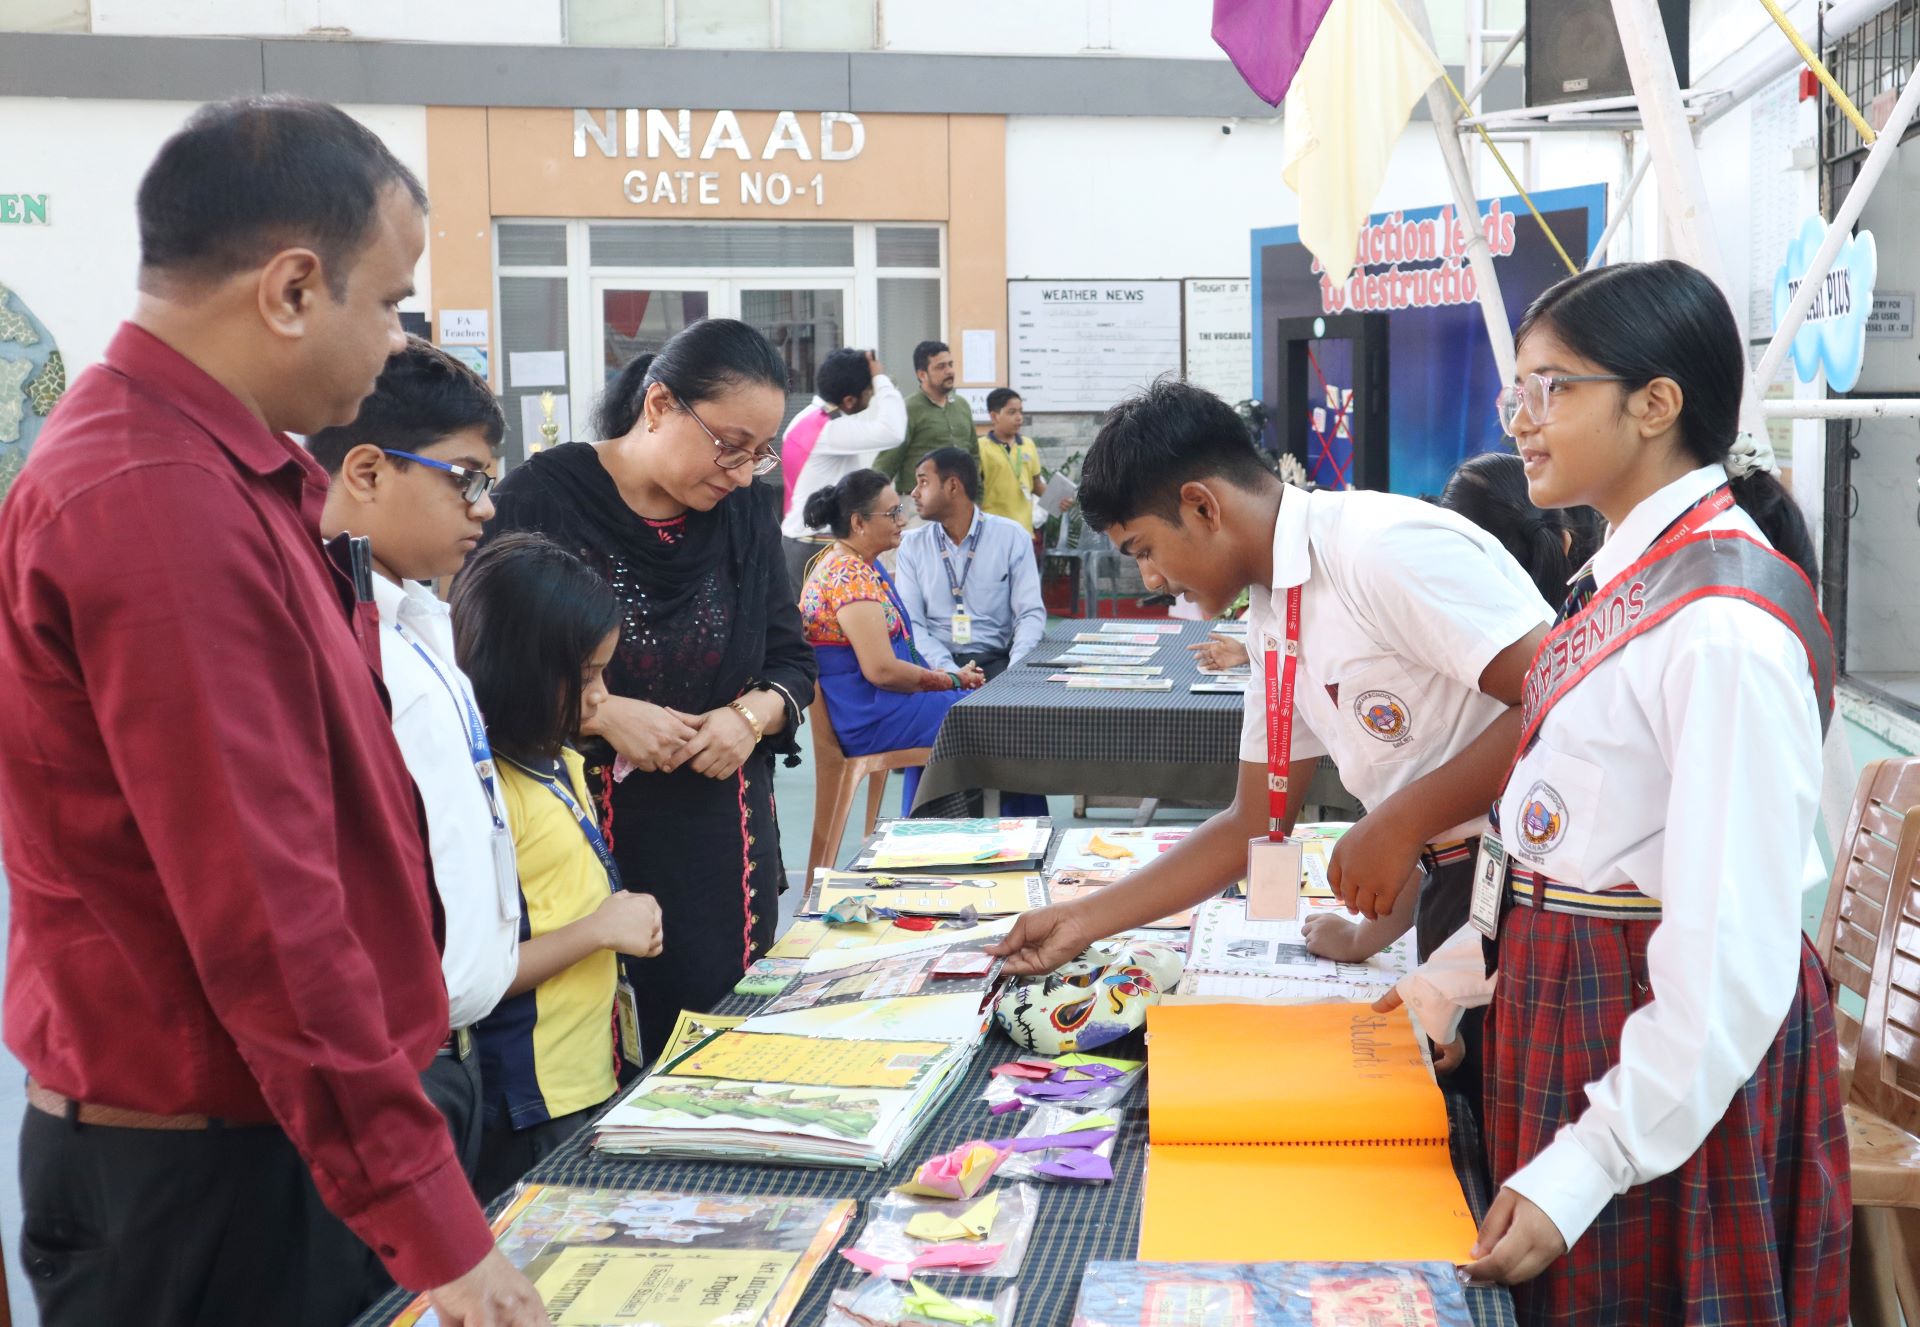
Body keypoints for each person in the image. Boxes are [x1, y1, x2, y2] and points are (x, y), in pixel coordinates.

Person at [0, 96, 543, 1326]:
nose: (400, 337)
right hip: (215, 1169)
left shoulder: (229, 473)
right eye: (393, 300)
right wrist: (431, 1220)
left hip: (284, 1135)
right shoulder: (154, 502)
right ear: (294, 287)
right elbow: (266, 905)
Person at [1384, 261, 1847, 1323]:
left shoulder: (1722, 621)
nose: (1524, 421)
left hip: (1658, 1061)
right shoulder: (1625, 579)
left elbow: (1732, 953)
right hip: (1578, 1012)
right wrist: (1463, 978)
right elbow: (1554, 837)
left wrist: (1593, 1161)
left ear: (1656, 403)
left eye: (1553, 388)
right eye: (1519, 393)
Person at [986, 380, 1552, 1097]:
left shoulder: (1379, 550)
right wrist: (1081, 918)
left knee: (1514, 1140)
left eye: (1146, 548)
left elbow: (1556, 693)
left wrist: (1402, 820)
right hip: (1460, 894)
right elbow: (1254, 821)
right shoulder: (1271, 616)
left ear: (1202, 505)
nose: (1151, 578)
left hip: (1542, 893)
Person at [484, 317, 816, 1061]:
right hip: (577, 829)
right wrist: (599, 709)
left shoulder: (744, 514)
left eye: (760, 455)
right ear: (660, 405)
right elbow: (487, 668)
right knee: (595, 1048)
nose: (739, 471)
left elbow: (793, 662)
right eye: (729, 444)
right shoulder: (542, 500)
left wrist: (748, 717)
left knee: (719, 1048)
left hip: (719, 833)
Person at [310, 338, 521, 1198]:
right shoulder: (324, 637)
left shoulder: (415, 617)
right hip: (385, 1068)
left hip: (458, 1054)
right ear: (365, 471)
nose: (485, 507)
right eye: (465, 478)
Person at [1300, 449, 1605, 963]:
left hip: (1517, 922)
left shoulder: (1531, 677)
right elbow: (1436, 849)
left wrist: (1398, 825)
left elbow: (1446, 839)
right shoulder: (1565, 638)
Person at [451, 534, 665, 1203]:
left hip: (587, 1067)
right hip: (531, 1097)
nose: (604, 698)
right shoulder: (486, 794)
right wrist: (601, 929)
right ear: (523, 670)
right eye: (590, 675)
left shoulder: (557, 755)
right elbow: (477, 974)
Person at [799, 469, 985, 812]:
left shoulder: (852, 564)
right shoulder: (849, 575)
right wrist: (950, 679)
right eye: (892, 513)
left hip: (878, 707)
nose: (902, 520)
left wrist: (951, 681)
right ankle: (947, 839)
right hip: (869, 715)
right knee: (976, 719)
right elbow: (882, 671)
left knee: (967, 706)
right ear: (858, 523)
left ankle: (931, 833)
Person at [896, 447, 1046, 679]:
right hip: (935, 666)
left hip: (997, 661)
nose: (914, 493)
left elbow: (1029, 614)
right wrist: (953, 675)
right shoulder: (912, 546)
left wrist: (1014, 672)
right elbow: (912, 624)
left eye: (923, 482)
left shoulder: (1012, 538)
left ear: (953, 486)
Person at [780, 347, 907, 594]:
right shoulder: (825, 431)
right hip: (815, 546)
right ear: (849, 400)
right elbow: (894, 431)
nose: (872, 396)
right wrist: (880, 378)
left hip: (801, 543)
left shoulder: (808, 420)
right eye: (869, 392)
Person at [875, 339, 978, 490]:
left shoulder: (962, 405)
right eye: (941, 367)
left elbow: (974, 455)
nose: (949, 371)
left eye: (950, 365)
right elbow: (887, 462)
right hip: (919, 502)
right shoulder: (908, 409)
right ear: (922, 374)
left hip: (959, 501)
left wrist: (977, 496)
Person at [977, 387, 1050, 531]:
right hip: (992, 529)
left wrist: (1056, 498)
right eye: (1012, 412)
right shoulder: (980, 448)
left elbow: (1036, 484)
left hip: (1023, 530)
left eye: (1020, 411)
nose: (1019, 417)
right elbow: (973, 492)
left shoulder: (1028, 444)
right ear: (994, 416)